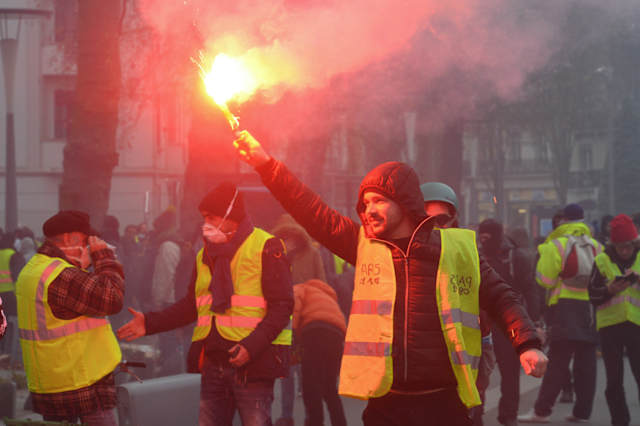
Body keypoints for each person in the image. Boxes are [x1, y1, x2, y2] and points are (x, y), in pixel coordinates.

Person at [232, 131, 547, 426]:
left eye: (379, 200)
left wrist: (527, 344)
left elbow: (503, 297)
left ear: (406, 203)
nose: (369, 210)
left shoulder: (456, 248)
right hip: (385, 404)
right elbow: (311, 210)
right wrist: (265, 164)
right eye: (365, 203)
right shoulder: (363, 245)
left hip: (445, 403)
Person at [117, 182, 294, 426]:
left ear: (230, 216)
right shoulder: (204, 255)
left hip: (253, 363)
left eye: (211, 217)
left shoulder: (266, 246)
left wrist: (251, 347)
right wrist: (149, 323)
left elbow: (282, 306)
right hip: (212, 362)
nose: (206, 223)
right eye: (204, 218)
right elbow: (192, 305)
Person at [15, 210, 124, 425]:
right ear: (68, 238)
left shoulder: (35, 269)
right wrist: (105, 257)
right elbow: (112, 299)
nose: (88, 249)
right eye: (85, 242)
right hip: (83, 383)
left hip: (54, 381)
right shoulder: (60, 275)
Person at [420, 182, 496, 426]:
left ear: (454, 218)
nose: (435, 226)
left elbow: (493, 294)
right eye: (427, 219)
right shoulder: (406, 255)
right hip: (425, 364)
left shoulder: (468, 251)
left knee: (471, 414)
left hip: (466, 357)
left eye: (442, 219)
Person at [520, 203, 602, 423]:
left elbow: (544, 279)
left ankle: (541, 411)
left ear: (564, 220)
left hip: (563, 309)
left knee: (557, 362)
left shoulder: (557, 244)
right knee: (587, 363)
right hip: (589, 311)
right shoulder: (596, 246)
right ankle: (582, 412)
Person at [477, 219, 542, 426]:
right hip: (481, 324)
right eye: (482, 236)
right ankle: (476, 416)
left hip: (507, 323)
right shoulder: (476, 254)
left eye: (487, 237)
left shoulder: (515, 257)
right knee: (478, 374)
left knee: (510, 373)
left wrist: (532, 321)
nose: (483, 240)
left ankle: (508, 416)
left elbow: (530, 289)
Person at [271, 214, 327, 426]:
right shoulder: (275, 255)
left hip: (302, 320)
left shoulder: (308, 253)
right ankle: (292, 416)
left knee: (300, 372)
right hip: (288, 321)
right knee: (290, 372)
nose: (289, 240)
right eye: (285, 236)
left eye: (291, 235)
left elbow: (321, 284)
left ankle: (298, 416)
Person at [588, 214, 640, 426]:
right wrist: (609, 290)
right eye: (620, 247)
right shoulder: (601, 260)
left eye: (628, 246)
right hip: (610, 328)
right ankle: (620, 421)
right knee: (614, 380)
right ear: (613, 245)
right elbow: (592, 294)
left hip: (637, 325)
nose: (625, 251)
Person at [293, 279, 347, 426]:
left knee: (310, 385)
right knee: (329, 386)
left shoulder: (301, 288)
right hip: (337, 335)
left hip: (314, 331)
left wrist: (293, 334)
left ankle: (314, 422)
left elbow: (296, 309)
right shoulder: (327, 295)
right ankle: (340, 423)